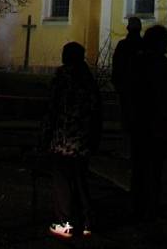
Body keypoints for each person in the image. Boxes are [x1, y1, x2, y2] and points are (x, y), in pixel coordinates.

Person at [41, 42, 102, 240]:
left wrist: (45, 136)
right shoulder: (88, 78)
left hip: (63, 139)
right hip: (82, 139)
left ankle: (64, 222)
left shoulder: (62, 77)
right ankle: (87, 221)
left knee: (62, 182)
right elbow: (96, 110)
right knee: (81, 180)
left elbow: (52, 109)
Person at [129, 25, 167, 221]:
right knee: (152, 169)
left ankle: (138, 206)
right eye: (165, 42)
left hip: (139, 124)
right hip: (155, 125)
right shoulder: (160, 67)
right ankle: (149, 207)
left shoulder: (137, 63)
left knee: (140, 167)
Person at [112, 16, 143, 157]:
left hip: (125, 88)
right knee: (139, 120)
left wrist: (117, 84)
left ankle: (126, 149)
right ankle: (137, 149)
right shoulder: (144, 45)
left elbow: (117, 66)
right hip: (140, 89)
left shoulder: (123, 45)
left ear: (127, 28)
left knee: (125, 121)